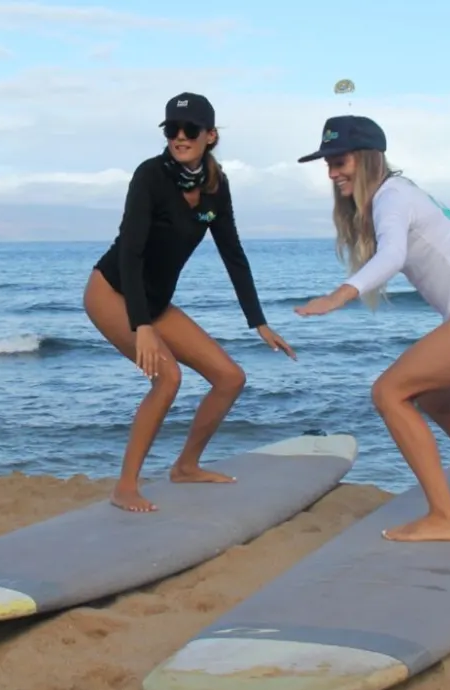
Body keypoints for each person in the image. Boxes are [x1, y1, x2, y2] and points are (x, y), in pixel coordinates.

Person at [294, 115, 450, 543]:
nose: (332, 173)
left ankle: (444, 517)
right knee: (434, 399)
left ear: (367, 158)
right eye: (328, 164)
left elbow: (392, 255)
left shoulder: (391, 197)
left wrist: (340, 295)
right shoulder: (403, 192)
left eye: (339, 161)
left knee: (388, 392)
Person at [85, 91, 296, 513]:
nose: (180, 137)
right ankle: (125, 486)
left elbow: (233, 253)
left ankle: (186, 466)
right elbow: (131, 253)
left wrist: (258, 321)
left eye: (190, 130)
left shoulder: (216, 187)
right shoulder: (150, 175)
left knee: (230, 377)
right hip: (113, 292)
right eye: (172, 130)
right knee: (169, 378)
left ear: (210, 135)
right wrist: (142, 325)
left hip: (156, 302)